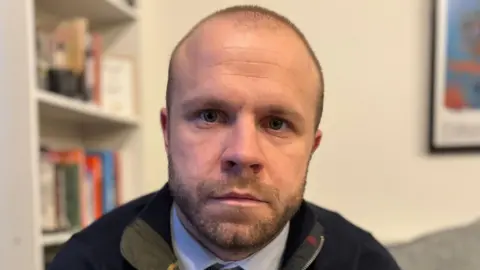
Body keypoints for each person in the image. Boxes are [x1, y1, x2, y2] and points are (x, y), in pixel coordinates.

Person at [48, 5, 400, 270]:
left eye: (276, 124)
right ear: (167, 132)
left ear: (312, 147)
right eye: (210, 116)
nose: (243, 153)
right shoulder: (85, 263)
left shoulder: (364, 263)